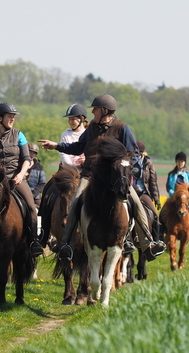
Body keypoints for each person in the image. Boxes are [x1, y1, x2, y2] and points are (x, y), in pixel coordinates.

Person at [38, 94, 166, 261]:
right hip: (90, 175)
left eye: (95, 109)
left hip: (114, 179)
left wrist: (125, 171)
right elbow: (78, 147)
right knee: (75, 202)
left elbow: (133, 153)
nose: (92, 112)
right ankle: (67, 244)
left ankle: (147, 243)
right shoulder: (91, 128)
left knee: (135, 202)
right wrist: (56, 146)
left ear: (105, 111)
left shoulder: (122, 128)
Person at [0, 102, 44, 257]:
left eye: (13, 116)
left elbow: (26, 158)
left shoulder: (19, 135)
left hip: (15, 179)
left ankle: (33, 242)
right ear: (0, 118)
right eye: (9, 116)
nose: (12, 119)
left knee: (31, 207)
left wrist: (21, 174)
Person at [131, 140, 162, 240]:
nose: (135, 156)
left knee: (155, 216)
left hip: (143, 193)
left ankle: (156, 241)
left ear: (142, 153)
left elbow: (153, 183)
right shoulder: (128, 162)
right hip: (130, 192)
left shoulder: (148, 164)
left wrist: (156, 199)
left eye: (137, 154)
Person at [26, 142, 46, 207]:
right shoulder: (18, 165)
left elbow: (42, 183)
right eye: (30, 152)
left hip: (34, 196)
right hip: (20, 194)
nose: (32, 155)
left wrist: (33, 195)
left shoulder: (39, 168)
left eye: (34, 153)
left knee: (41, 209)